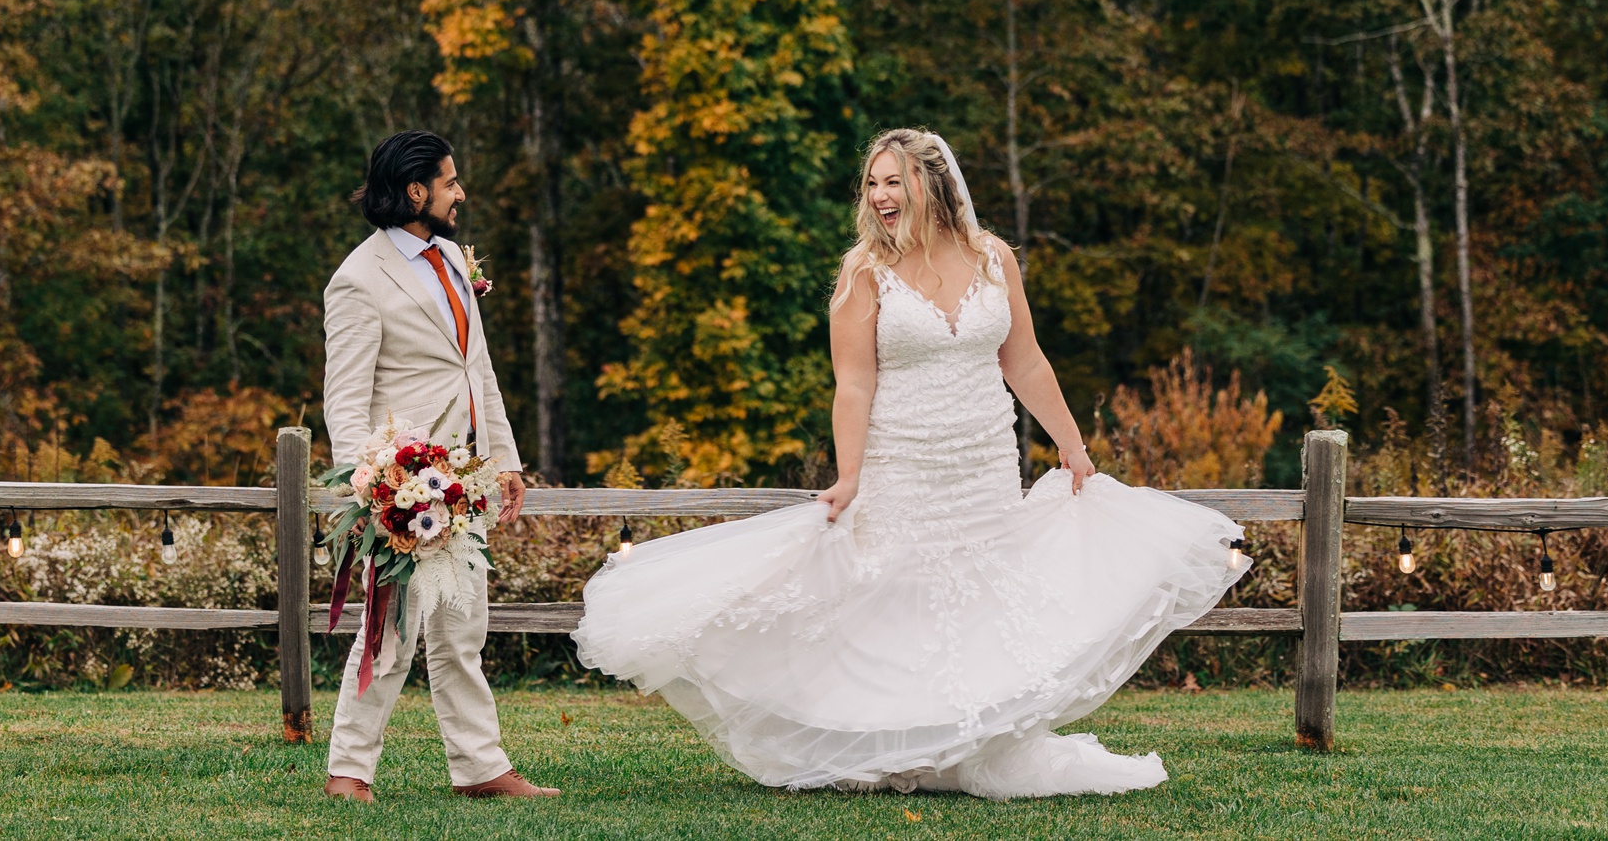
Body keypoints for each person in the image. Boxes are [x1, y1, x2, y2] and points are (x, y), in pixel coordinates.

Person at [576, 127, 1251, 799]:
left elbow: (1025, 360)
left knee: (983, 604)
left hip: (984, 465)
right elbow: (854, 383)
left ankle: (975, 743)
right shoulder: (863, 271)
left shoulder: (994, 259)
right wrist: (848, 476)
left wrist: (1072, 445)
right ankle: (899, 748)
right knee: (898, 603)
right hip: (904, 465)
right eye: (872, 182)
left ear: (933, 182)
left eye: (893, 180)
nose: (879, 195)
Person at [319, 131, 558, 803]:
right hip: (406, 489)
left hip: (467, 482)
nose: (461, 192)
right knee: (390, 631)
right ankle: (349, 771)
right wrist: (371, 492)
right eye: (450, 181)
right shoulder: (358, 279)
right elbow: (345, 398)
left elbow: (474, 367)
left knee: (463, 630)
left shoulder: (451, 257)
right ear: (415, 190)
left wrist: (504, 458)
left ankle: (480, 767)